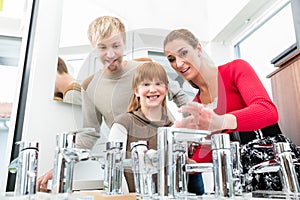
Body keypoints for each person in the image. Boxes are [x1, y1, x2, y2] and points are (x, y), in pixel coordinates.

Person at [37, 16, 188, 192]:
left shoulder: (145, 68)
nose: (110, 54)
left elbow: (180, 95)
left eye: (115, 46)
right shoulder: (89, 86)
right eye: (102, 47)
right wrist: (59, 167)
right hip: (130, 162)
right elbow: (89, 135)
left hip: (168, 153)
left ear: (123, 43)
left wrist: (187, 135)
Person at [163, 28, 300, 191]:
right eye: (172, 59)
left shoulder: (235, 69)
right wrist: (184, 157)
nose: (178, 64)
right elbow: (206, 154)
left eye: (183, 53)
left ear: (198, 48)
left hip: (274, 171)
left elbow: (267, 111)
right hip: (239, 184)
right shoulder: (197, 103)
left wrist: (221, 121)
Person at [109, 61, 204, 195]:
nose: (152, 89)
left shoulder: (172, 128)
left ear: (166, 89)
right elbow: (115, 172)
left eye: (158, 84)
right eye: (146, 84)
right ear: (136, 91)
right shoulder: (122, 124)